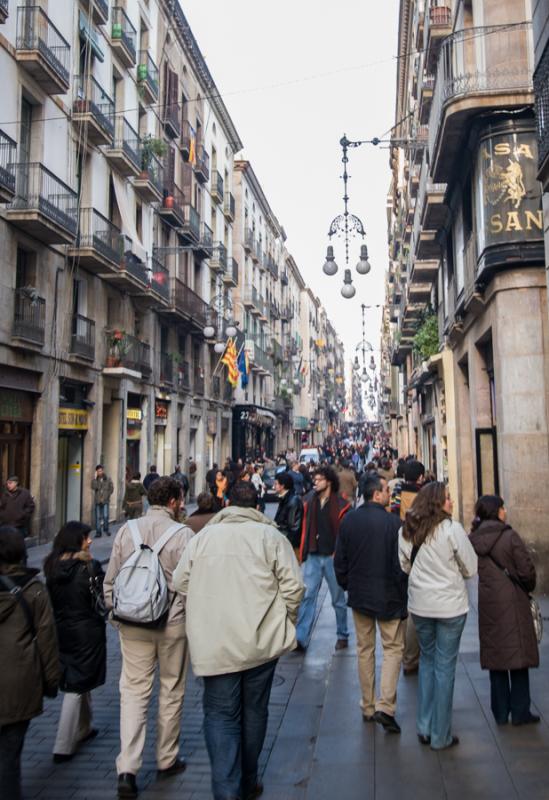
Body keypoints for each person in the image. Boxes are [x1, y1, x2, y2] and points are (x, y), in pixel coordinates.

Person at [173, 481, 304, 800]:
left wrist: (206, 606)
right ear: (257, 506)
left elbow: (179, 581)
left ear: (228, 504)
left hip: (216, 645)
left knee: (220, 714)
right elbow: (294, 587)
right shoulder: (271, 536)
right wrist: (284, 621)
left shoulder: (203, 538)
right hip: (261, 643)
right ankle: (248, 779)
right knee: (255, 711)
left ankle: (226, 790)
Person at [103, 477, 193, 799]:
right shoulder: (183, 535)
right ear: (172, 501)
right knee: (171, 690)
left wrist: (117, 615)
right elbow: (190, 586)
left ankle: (127, 767)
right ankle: (166, 758)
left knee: (133, 693)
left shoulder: (127, 531)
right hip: (172, 626)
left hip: (133, 624)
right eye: (181, 499)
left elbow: (110, 578)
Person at [399, 482, 477, 750]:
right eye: (448, 498)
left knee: (429, 662)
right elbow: (471, 568)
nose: (452, 502)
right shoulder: (452, 530)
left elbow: (405, 565)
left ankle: (424, 725)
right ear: (437, 502)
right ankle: (440, 735)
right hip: (450, 608)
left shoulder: (407, 531)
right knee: (445, 668)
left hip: (420, 606)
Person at [334, 474, 407, 734]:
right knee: (393, 649)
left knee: (365, 649)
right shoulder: (394, 523)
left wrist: (348, 585)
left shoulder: (349, 520)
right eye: (386, 490)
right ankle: (385, 705)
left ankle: (367, 705)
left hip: (360, 596)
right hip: (389, 596)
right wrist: (402, 589)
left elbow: (339, 561)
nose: (389, 493)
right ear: (377, 495)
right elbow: (402, 565)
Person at [0, 526, 60, 800]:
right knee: (10, 757)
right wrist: (51, 681)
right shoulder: (34, 590)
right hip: (19, 682)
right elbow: (47, 639)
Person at [469, 495, 540, 726]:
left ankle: (500, 712)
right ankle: (520, 711)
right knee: (518, 654)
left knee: (497, 656)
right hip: (513, 600)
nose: (505, 510)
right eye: (502, 507)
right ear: (496, 511)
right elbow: (527, 571)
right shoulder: (510, 536)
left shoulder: (474, 539)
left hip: (489, 603)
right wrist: (527, 586)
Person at [43, 522, 106, 762]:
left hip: (62, 629)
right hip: (86, 631)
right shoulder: (88, 567)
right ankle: (63, 744)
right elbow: (101, 599)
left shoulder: (52, 567)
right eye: (85, 538)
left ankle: (84, 727)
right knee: (76, 687)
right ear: (75, 541)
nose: (89, 541)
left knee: (79, 679)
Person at [296, 466, 351, 652]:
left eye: (319, 479)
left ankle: (342, 634)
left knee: (338, 599)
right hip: (313, 554)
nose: (315, 483)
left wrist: (342, 555)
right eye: (314, 480)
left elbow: (345, 533)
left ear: (328, 481)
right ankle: (300, 637)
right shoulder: (308, 501)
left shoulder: (342, 504)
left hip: (332, 556)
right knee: (307, 596)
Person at [391, 459, 425, 676]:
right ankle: (417, 653)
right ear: (420, 477)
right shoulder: (424, 495)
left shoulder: (398, 490)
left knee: (408, 603)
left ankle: (409, 656)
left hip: (402, 543)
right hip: (421, 548)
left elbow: (393, 514)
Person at [274, 472, 304, 557]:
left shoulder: (293, 501)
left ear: (282, 486)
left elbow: (294, 527)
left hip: (290, 546)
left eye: (276, 484)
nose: (274, 486)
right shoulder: (285, 498)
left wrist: (284, 546)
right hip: (285, 542)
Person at [91, 465, 113, 538]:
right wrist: (94, 478)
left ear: (103, 471)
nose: (99, 472)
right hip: (98, 501)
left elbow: (111, 488)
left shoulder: (108, 479)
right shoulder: (95, 480)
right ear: (96, 472)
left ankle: (106, 529)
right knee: (98, 517)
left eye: (101, 471)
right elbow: (93, 487)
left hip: (105, 500)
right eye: (98, 471)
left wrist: (107, 495)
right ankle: (98, 532)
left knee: (105, 516)